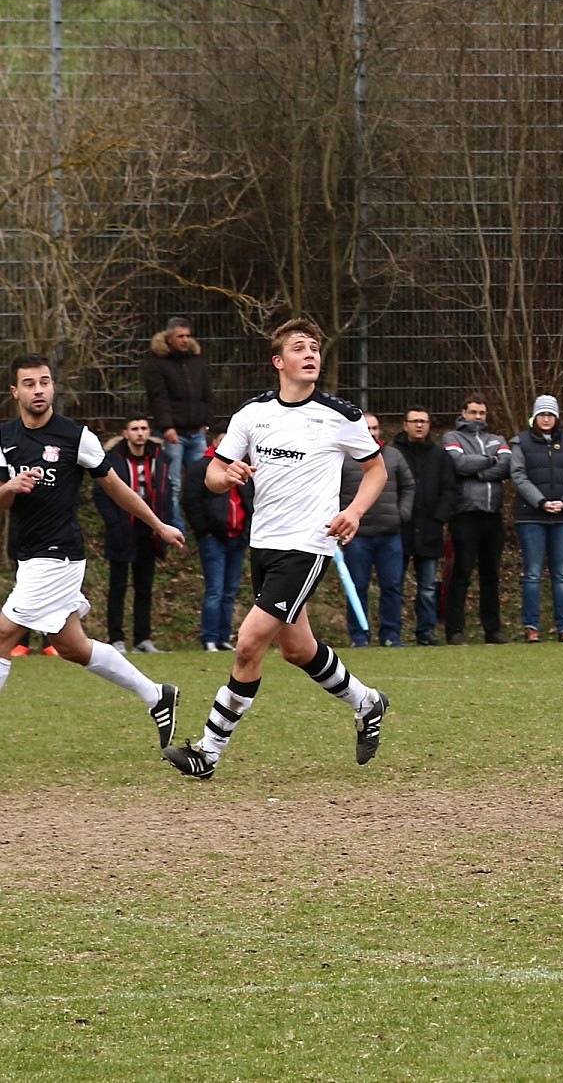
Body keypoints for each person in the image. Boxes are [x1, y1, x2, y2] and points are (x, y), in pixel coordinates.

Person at [0, 355, 183, 761]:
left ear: (53, 387)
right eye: (30, 384)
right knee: (72, 646)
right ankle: (156, 694)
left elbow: (115, 487)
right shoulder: (5, 436)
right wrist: (13, 486)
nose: (39, 390)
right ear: (15, 391)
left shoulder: (76, 436)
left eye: (45, 382)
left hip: (58, 556)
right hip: (29, 555)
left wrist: (157, 524)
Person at [162, 319, 390, 780]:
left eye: (315, 348)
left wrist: (355, 512)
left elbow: (376, 470)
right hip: (262, 544)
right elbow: (212, 472)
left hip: (307, 547)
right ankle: (367, 701)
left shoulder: (339, 415)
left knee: (248, 644)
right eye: (299, 348)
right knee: (297, 649)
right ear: (278, 361)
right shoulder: (252, 414)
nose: (310, 355)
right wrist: (223, 476)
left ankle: (207, 752)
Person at [92, 416, 174, 653]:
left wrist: (163, 522)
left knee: (144, 586)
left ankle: (142, 639)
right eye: (135, 429)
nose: (140, 433)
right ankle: (116, 638)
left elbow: (167, 492)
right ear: (125, 433)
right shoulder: (112, 460)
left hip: (149, 529)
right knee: (117, 586)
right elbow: (100, 493)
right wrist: (114, 522)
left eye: (144, 428)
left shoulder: (160, 459)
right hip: (121, 528)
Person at [510, 394, 563, 644]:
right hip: (530, 516)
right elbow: (518, 476)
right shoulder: (520, 442)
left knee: (561, 574)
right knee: (532, 573)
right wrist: (541, 502)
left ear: (556, 417)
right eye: (542, 414)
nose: (546, 419)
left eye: (550, 414)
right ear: (534, 417)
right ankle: (531, 627)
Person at [441, 396, 512, 644]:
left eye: (482, 412)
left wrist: (478, 470)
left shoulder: (498, 439)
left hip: (493, 515)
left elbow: (508, 466)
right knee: (461, 573)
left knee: (491, 574)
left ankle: (492, 629)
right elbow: (458, 464)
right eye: (473, 412)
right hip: (465, 514)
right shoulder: (452, 438)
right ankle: (455, 630)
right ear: (463, 412)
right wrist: (491, 461)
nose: (478, 417)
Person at [340, 412, 413, 647]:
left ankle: (391, 635)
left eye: (375, 428)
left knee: (392, 586)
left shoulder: (393, 456)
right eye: (367, 428)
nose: (372, 433)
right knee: (357, 586)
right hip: (357, 536)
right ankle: (359, 636)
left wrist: (401, 515)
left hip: (390, 535)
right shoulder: (343, 458)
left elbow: (409, 486)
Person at [142, 316, 215, 529]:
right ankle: (175, 526)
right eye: (180, 336)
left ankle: (203, 524)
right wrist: (167, 427)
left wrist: (206, 422)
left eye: (188, 336)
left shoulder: (197, 361)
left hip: (197, 431)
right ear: (168, 338)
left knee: (203, 479)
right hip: (173, 433)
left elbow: (207, 394)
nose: (185, 340)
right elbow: (158, 398)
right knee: (172, 482)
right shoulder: (156, 364)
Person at [392, 408, 453, 646]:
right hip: (400, 530)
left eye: (423, 421)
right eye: (414, 421)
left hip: (430, 530)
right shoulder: (393, 453)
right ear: (405, 424)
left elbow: (450, 490)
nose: (419, 425)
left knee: (428, 586)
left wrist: (439, 518)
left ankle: (426, 632)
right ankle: (392, 634)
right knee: (394, 585)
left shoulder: (440, 456)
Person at [182, 434, 249, 652]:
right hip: (213, 537)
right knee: (215, 589)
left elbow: (250, 501)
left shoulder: (243, 467)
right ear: (214, 441)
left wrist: (247, 531)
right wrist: (204, 530)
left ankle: (222, 636)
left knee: (230, 590)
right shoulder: (202, 467)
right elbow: (191, 501)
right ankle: (209, 637)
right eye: (224, 439)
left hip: (237, 536)